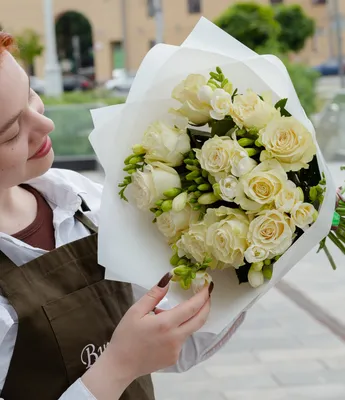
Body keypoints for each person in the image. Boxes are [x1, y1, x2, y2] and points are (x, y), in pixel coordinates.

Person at [0, 32, 245, 400]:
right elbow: (131, 358)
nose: (45, 125)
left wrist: (250, 243)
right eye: (12, 131)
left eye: (32, 94)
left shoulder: (79, 200)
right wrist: (118, 366)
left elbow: (171, 347)